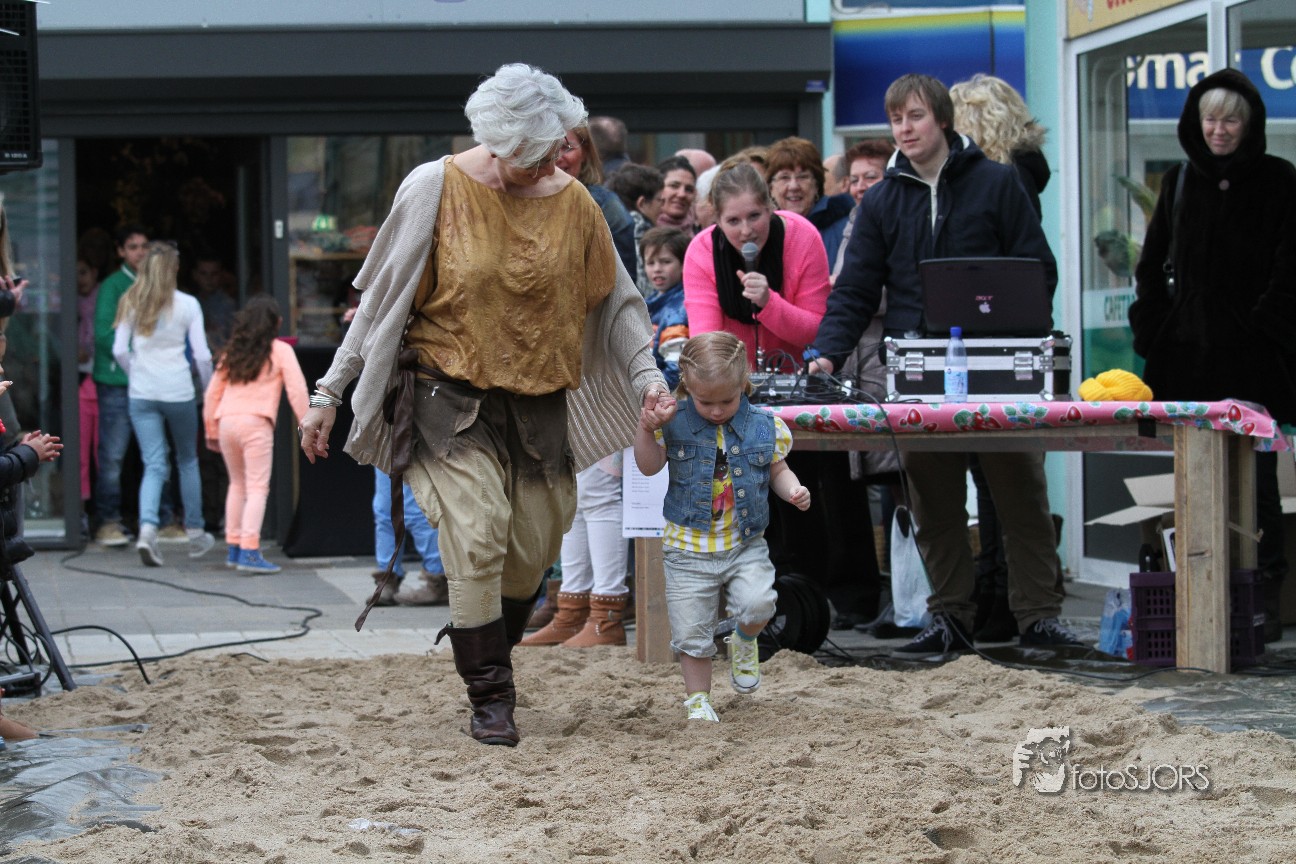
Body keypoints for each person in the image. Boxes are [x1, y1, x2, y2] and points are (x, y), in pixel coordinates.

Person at [296, 63, 667, 747]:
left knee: (532, 550)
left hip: (540, 403)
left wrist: (648, 377)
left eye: (560, 148)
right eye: (538, 153)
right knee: (477, 531)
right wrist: (329, 392)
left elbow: (619, 305)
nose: (553, 164)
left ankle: (484, 638)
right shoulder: (434, 187)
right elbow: (379, 305)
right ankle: (491, 695)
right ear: (497, 143)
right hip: (446, 398)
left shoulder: (576, 204)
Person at [808, 73, 1080, 657]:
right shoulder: (883, 200)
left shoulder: (999, 183)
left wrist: (1022, 336)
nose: (905, 129)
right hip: (918, 372)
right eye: (896, 120)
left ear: (943, 120)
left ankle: (1039, 618)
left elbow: (1038, 269)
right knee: (932, 503)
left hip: (998, 368)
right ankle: (950, 618)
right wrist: (826, 352)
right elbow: (855, 289)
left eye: (916, 117)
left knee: (1021, 497)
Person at [1129, 68, 1296, 644]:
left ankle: (1261, 597)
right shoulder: (1178, 181)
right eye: (1209, 119)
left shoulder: (1279, 180)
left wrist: (1265, 327)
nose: (1219, 130)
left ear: (1249, 125)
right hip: (1188, 359)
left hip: (1254, 361)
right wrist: (1155, 327)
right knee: (1194, 480)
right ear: (1195, 124)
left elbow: (1291, 267)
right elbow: (1151, 265)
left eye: (1230, 120)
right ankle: (1202, 593)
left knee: (1258, 483)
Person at [634, 331, 810, 722]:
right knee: (691, 632)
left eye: (726, 401)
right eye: (705, 402)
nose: (716, 411)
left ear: (744, 382)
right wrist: (646, 427)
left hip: (744, 543)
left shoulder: (764, 426)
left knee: (759, 603)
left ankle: (744, 638)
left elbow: (777, 469)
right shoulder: (673, 422)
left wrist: (793, 490)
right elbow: (648, 467)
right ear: (687, 387)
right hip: (686, 548)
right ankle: (698, 700)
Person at [950, 73, 1056, 642]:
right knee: (1003, 483)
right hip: (1010, 342)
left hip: (997, 344)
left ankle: (1000, 596)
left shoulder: (1003, 181)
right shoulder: (1023, 176)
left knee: (999, 483)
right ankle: (1001, 595)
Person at [113, 241, 216, 567]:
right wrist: (208, 388)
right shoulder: (188, 304)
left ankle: (147, 530)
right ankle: (196, 533)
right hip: (179, 391)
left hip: (142, 392)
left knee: (154, 463)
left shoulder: (131, 301)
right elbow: (202, 356)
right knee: (187, 460)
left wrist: (136, 373)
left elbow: (119, 350)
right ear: (174, 269)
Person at [203, 295, 309, 574]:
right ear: (277, 323)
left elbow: (212, 393)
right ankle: (250, 550)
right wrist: (307, 425)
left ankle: (234, 547)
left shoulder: (232, 351)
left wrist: (211, 430)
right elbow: (297, 390)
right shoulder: (281, 350)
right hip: (256, 422)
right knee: (257, 487)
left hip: (226, 421)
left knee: (237, 484)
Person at [91, 224, 149, 547]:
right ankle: (108, 522)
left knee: (154, 456)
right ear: (121, 251)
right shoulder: (113, 286)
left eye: (144, 246)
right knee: (113, 456)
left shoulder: (155, 283)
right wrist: (139, 357)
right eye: (133, 246)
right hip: (116, 381)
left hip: (149, 382)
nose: (140, 252)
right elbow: (103, 334)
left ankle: (156, 521)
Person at [554, 125, 638, 285]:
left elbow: (623, 284)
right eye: (548, 148)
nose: (557, 157)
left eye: (567, 148)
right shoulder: (522, 201)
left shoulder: (606, 206)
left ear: (585, 153)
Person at [764, 137, 854, 268]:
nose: (793, 186)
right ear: (771, 188)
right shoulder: (763, 231)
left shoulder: (845, 228)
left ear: (817, 185)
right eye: (784, 177)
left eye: (802, 177)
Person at [370, 468, 448, 606]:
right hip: (385, 453)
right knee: (386, 512)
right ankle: (387, 578)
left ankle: (438, 580)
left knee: (417, 511)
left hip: (411, 454)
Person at [642, 226, 691, 391]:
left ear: (683, 264)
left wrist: (648, 390)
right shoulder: (653, 303)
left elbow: (676, 370)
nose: (657, 269)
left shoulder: (678, 310)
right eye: (650, 263)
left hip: (666, 395)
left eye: (666, 262)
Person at [605, 163, 664, 296]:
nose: (662, 208)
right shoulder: (641, 230)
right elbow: (646, 291)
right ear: (642, 203)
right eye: (660, 200)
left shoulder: (607, 226)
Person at [654, 155, 698, 233]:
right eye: (674, 186)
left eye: (689, 189)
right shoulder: (637, 231)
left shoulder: (703, 235)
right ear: (657, 187)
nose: (682, 194)